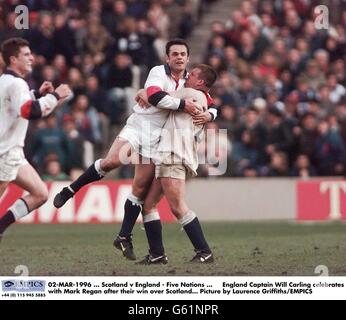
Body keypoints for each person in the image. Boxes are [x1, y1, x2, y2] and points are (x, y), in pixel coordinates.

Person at [53, 39, 217, 259]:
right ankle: (70, 190)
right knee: (112, 161)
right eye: (174, 53)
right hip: (140, 126)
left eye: (182, 54)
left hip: (159, 139)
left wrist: (210, 114)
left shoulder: (189, 82)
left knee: (140, 190)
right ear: (167, 58)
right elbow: (155, 95)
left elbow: (209, 100)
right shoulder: (158, 72)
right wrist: (172, 101)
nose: (178, 57)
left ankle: (125, 237)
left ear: (187, 58)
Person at [137, 64, 217, 264]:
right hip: (174, 154)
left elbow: (156, 97)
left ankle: (204, 251)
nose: (188, 75)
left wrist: (140, 92)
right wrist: (212, 113)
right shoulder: (202, 98)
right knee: (148, 205)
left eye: (193, 74)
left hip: (174, 154)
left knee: (177, 206)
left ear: (200, 82)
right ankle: (157, 254)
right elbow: (212, 105)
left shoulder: (190, 92)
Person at [0, 37, 71, 241]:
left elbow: (14, 106)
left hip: (13, 152)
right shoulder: (16, 83)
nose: (31, 58)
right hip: (4, 153)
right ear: (14, 59)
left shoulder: (6, 81)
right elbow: (28, 111)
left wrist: (36, 94)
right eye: (26, 55)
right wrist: (55, 96)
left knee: (40, 193)